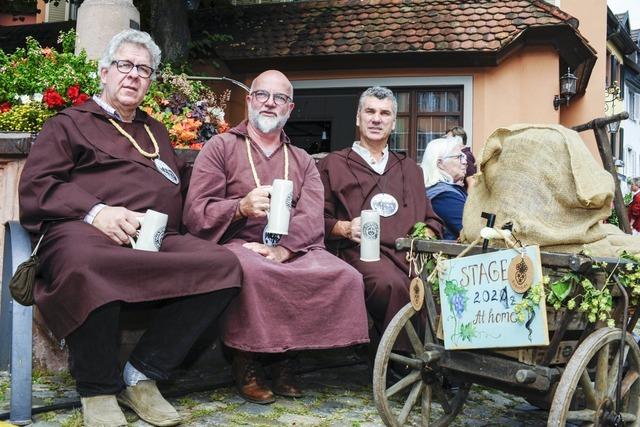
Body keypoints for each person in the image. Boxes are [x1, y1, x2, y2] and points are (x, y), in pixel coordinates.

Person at [19, 30, 243, 427]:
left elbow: (183, 186)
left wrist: (235, 199)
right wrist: (96, 211)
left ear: (150, 80)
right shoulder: (67, 124)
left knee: (222, 265)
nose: (133, 75)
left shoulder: (155, 131)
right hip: (84, 231)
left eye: (143, 69)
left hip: (154, 236)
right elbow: (39, 186)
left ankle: (141, 374)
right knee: (88, 262)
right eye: (124, 65)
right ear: (104, 72)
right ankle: (97, 388)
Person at [183, 70, 369, 405]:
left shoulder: (301, 159)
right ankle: (247, 359)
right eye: (263, 95)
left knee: (342, 274)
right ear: (250, 100)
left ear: (290, 108)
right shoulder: (221, 146)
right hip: (237, 241)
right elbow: (196, 211)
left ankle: (287, 357)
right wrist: (239, 208)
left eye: (280, 98)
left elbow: (313, 214)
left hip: (294, 245)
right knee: (253, 272)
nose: (270, 103)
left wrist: (285, 249)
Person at [317, 86, 443, 348]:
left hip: (407, 256)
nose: (376, 119)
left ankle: (441, 355)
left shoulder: (409, 168)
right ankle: (404, 359)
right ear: (358, 118)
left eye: (384, 113)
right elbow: (315, 217)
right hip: (360, 251)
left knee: (439, 284)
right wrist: (343, 228)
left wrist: (427, 234)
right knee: (389, 284)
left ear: (393, 123)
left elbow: (432, 218)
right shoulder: (334, 164)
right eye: (370, 111)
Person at [421, 137, 468, 240]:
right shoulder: (444, 196)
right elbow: (472, 231)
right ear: (440, 163)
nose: (465, 161)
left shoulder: (440, 190)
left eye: (463, 156)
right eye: (458, 157)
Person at [445, 126, 476, 190]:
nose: (446, 142)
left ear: (458, 139)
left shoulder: (466, 156)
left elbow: (471, 181)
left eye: (448, 139)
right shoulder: (460, 155)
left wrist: (468, 200)